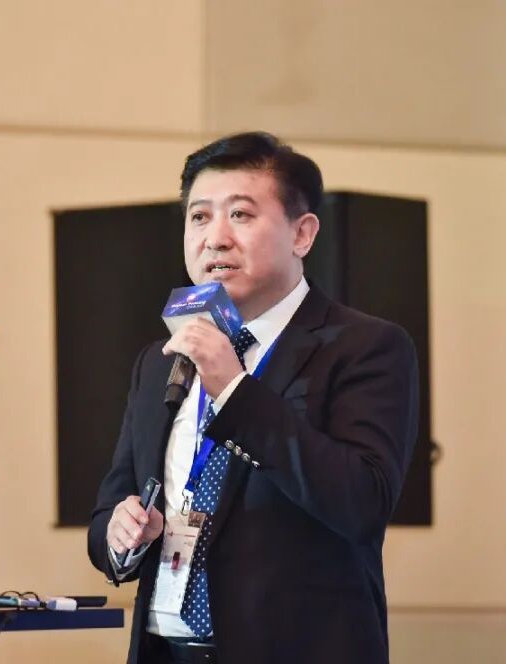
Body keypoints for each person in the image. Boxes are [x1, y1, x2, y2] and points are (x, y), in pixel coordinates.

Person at [87, 131, 419, 664]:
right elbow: (110, 506)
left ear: (302, 234)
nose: (215, 239)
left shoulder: (364, 347)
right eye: (199, 217)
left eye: (240, 215)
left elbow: (363, 501)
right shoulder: (161, 360)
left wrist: (234, 389)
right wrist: (121, 534)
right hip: (166, 650)